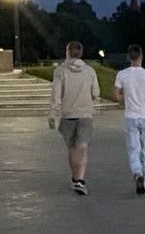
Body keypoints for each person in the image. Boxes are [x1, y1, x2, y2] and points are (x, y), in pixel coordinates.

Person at [48, 40, 100, 196]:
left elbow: (56, 96)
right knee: (83, 146)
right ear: (81, 53)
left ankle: (75, 177)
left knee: (71, 147)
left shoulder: (60, 71)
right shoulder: (90, 71)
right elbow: (96, 93)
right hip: (85, 114)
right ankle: (81, 179)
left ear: (68, 53)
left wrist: (53, 113)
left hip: (68, 115)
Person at [113, 43, 145, 195]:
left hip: (130, 116)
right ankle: (144, 181)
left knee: (134, 148)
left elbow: (115, 95)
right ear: (141, 57)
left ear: (129, 57)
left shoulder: (122, 75)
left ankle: (137, 171)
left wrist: (125, 99)